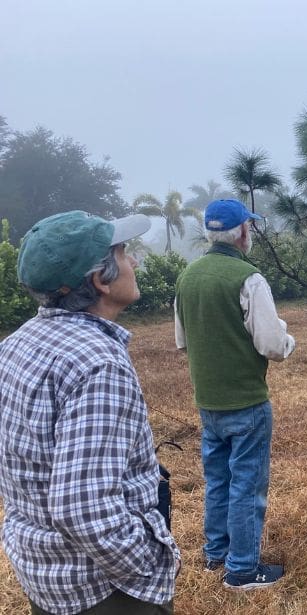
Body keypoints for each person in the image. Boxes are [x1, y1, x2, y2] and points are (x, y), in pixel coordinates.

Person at [0, 210, 179, 614]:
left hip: (46, 576)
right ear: (101, 280)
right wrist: (146, 565)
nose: (133, 261)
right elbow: (82, 508)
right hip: (102, 589)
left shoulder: (17, 343)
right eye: (123, 252)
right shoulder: (98, 364)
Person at [174, 199, 295, 592]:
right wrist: (287, 336)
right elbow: (272, 345)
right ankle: (242, 571)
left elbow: (182, 341)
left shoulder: (187, 277)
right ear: (243, 231)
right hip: (246, 401)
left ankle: (216, 555)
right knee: (247, 484)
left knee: (218, 480)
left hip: (208, 402)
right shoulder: (249, 278)